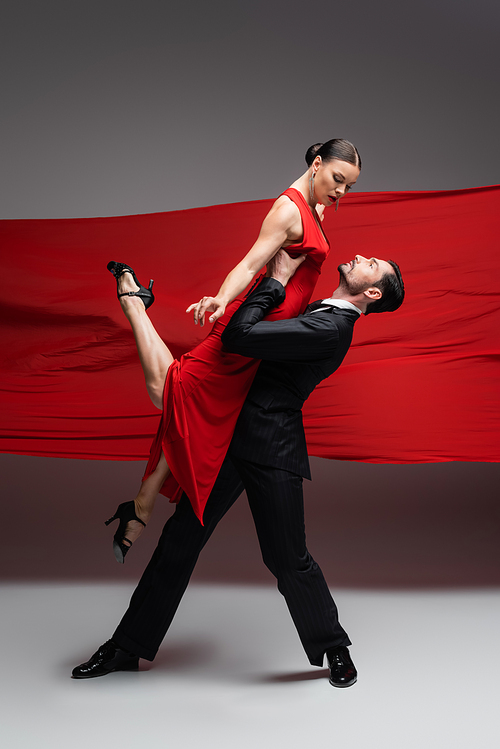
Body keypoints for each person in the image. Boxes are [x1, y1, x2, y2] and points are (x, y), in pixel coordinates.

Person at [72, 250, 405, 687]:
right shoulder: (320, 310)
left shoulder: (331, 327)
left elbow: (240, 336)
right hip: (227, 438)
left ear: (373, 291)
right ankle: (125, 647)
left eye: (371, 264)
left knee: (288, 558)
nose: (360, 257)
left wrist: (276, 280)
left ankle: (333, 648)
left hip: (271, 446)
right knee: (179, 542)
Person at [105, 139, 362, 561]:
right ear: (317, 165)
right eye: (337, 180)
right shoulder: (290, 209)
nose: (340, 193)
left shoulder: (315, 207)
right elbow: (249, 264)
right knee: (168, 391)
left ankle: (142, 502)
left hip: (269, 340)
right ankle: (133, 302)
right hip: (250, 328)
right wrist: (222, 299)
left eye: (349, 187)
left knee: (197, 411)